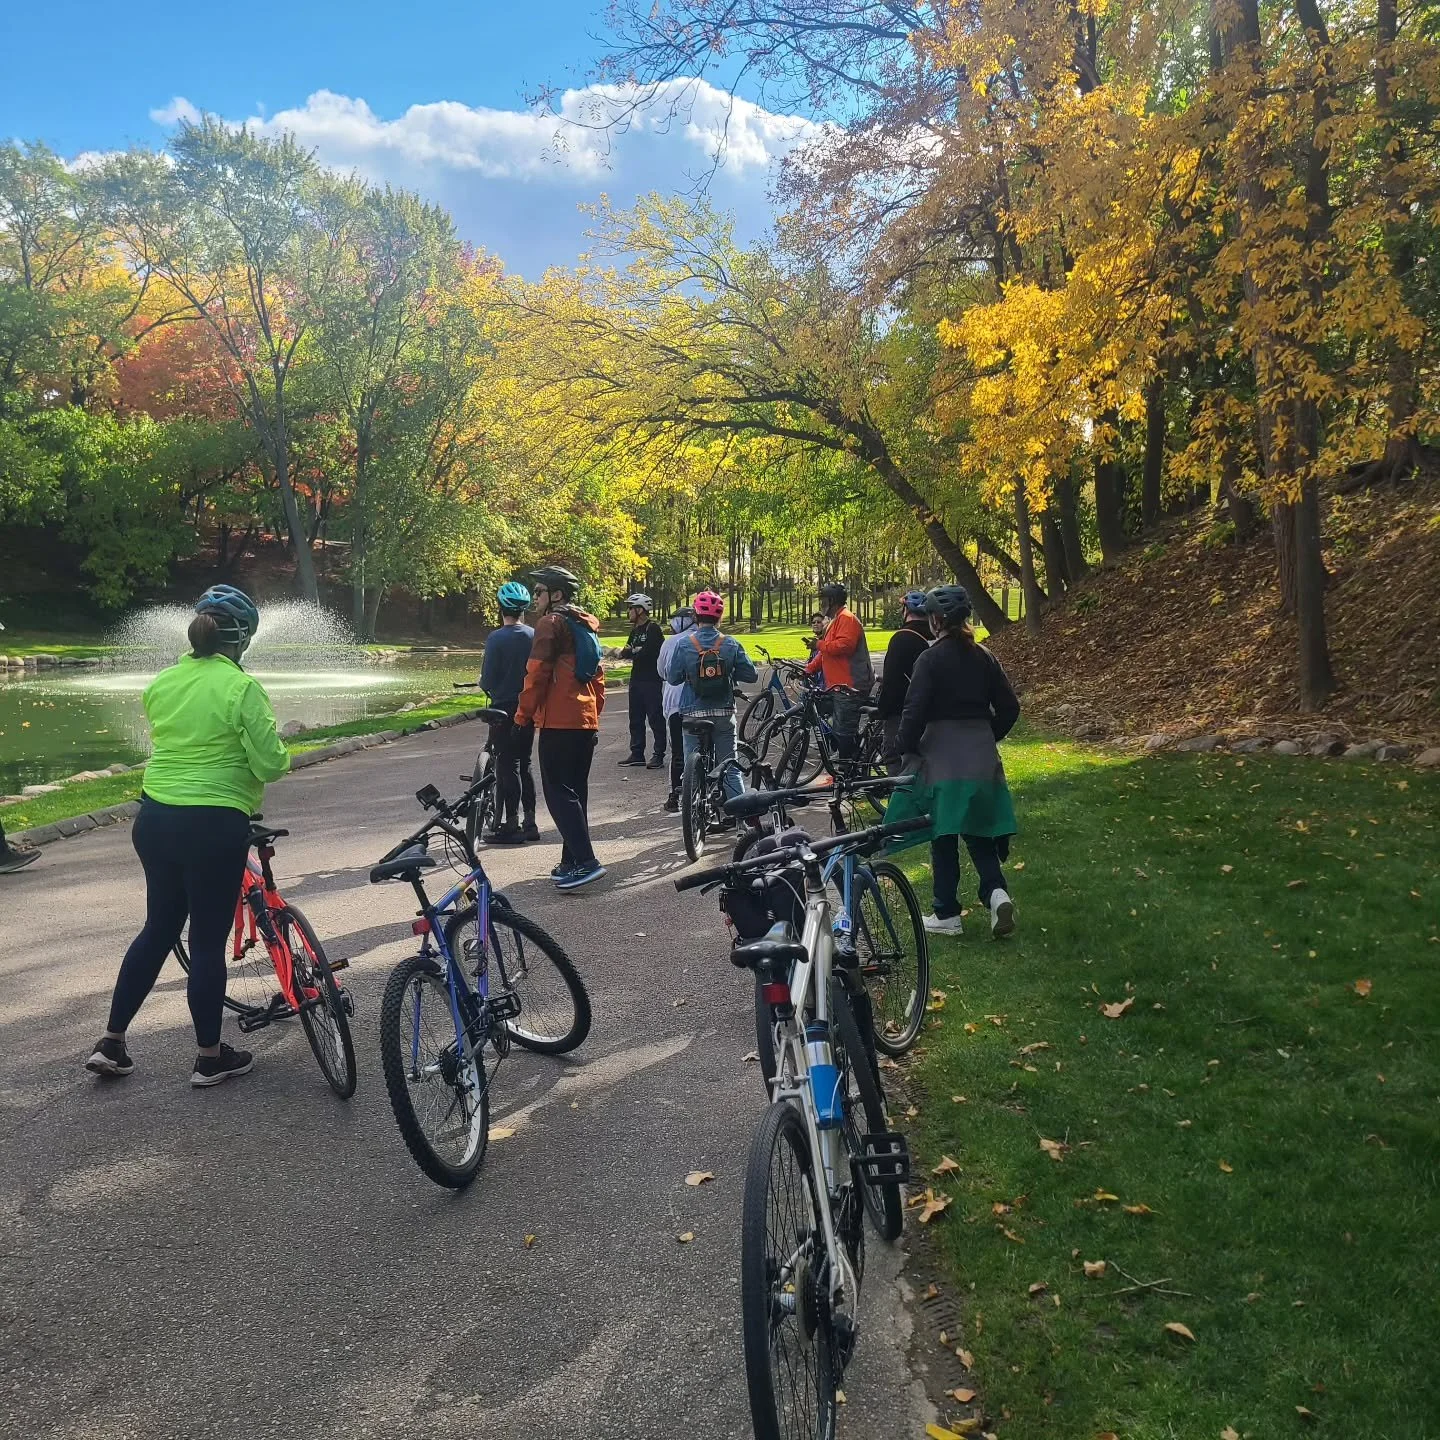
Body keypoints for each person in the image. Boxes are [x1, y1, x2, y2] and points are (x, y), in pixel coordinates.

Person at [85, 585, 291, 1086]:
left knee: (158, 928)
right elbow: (270, 762)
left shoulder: (163, 681)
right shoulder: (241, 687)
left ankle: (112, 1043)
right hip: (212, 824)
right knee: (204, 942)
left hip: (155, 819)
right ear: (242, 640)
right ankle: (209, 1056)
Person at [884, 584, 1019, 940]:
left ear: (935, 619)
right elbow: (1010, 708)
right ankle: (996, 893)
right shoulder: (985, 656)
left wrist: (903, 748)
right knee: (979, 835)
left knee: (943, 836)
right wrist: (989, 736)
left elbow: (912, 714)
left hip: (941, 759)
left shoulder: (929, 659)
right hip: (981, 757)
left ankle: (946, 913)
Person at [515, 564, 607, 891]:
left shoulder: (550, 623)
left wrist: (522, 715)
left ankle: (586, 861)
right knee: (574, 792)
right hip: (585, 721)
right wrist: (591, 714)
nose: (534, 597)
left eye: (539, 591)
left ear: (556, 595)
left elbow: (536, 672)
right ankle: (571, 862)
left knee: (556, 792)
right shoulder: (584, 624)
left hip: (559, 720)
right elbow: (597, 676)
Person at [666, 589, 757, 807]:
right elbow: (751, 675)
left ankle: (695, 807)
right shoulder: (731, 643)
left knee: (692, 764)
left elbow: (672, 678)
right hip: (723, 712)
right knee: (729, 767)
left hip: (692, 713)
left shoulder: (684, 644)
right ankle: (741, 824)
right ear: (720, 617)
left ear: (695, 616)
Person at [480, 581, 539, 844]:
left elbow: (489, 679)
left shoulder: (496, 638)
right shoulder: (533, 636)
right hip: (527, 707)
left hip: (502, 709)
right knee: (525, 764)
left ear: (501, 608)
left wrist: (485, 684)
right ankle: (530, 822)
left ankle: (511, 825)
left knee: (506, 764)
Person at [806, 582, 874, 756]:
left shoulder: (847, 618)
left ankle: (848, 773)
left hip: (850, 686)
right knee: (839, 730)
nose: (821, 605)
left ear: (832, 600)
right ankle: (850, 765)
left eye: (823, 600)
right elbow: (826, 653)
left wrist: (819, 644)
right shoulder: (836, 620)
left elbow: (845, 646)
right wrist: (809, 669)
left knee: (843, 735)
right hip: (838, 686)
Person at [876, 589, 933, 772]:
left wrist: (883, 710)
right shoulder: (936, 638)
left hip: (902, 712)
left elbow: (892, 682)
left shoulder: (902, 638)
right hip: (931, 713)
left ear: (906, 610)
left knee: (894, 758)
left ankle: (902, 799)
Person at [617, 593, 666, 769]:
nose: (628, 611)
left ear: (640, 610)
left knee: (655, 717)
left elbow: (650, 653)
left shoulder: (652, 629)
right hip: (636, 679)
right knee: (635, 718)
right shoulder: (634, 631)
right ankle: (637, 753)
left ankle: (658, 754)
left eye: (630, 608)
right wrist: (635, 651)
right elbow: (625, 652)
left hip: (651, 680)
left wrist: (635, 651)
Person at [657, 605, 696, 813]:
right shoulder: (712, 639)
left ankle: (676, 795)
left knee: (679, 751)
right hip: (704, 702)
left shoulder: (672, 642)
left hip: (676, 702)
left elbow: (662, 671)